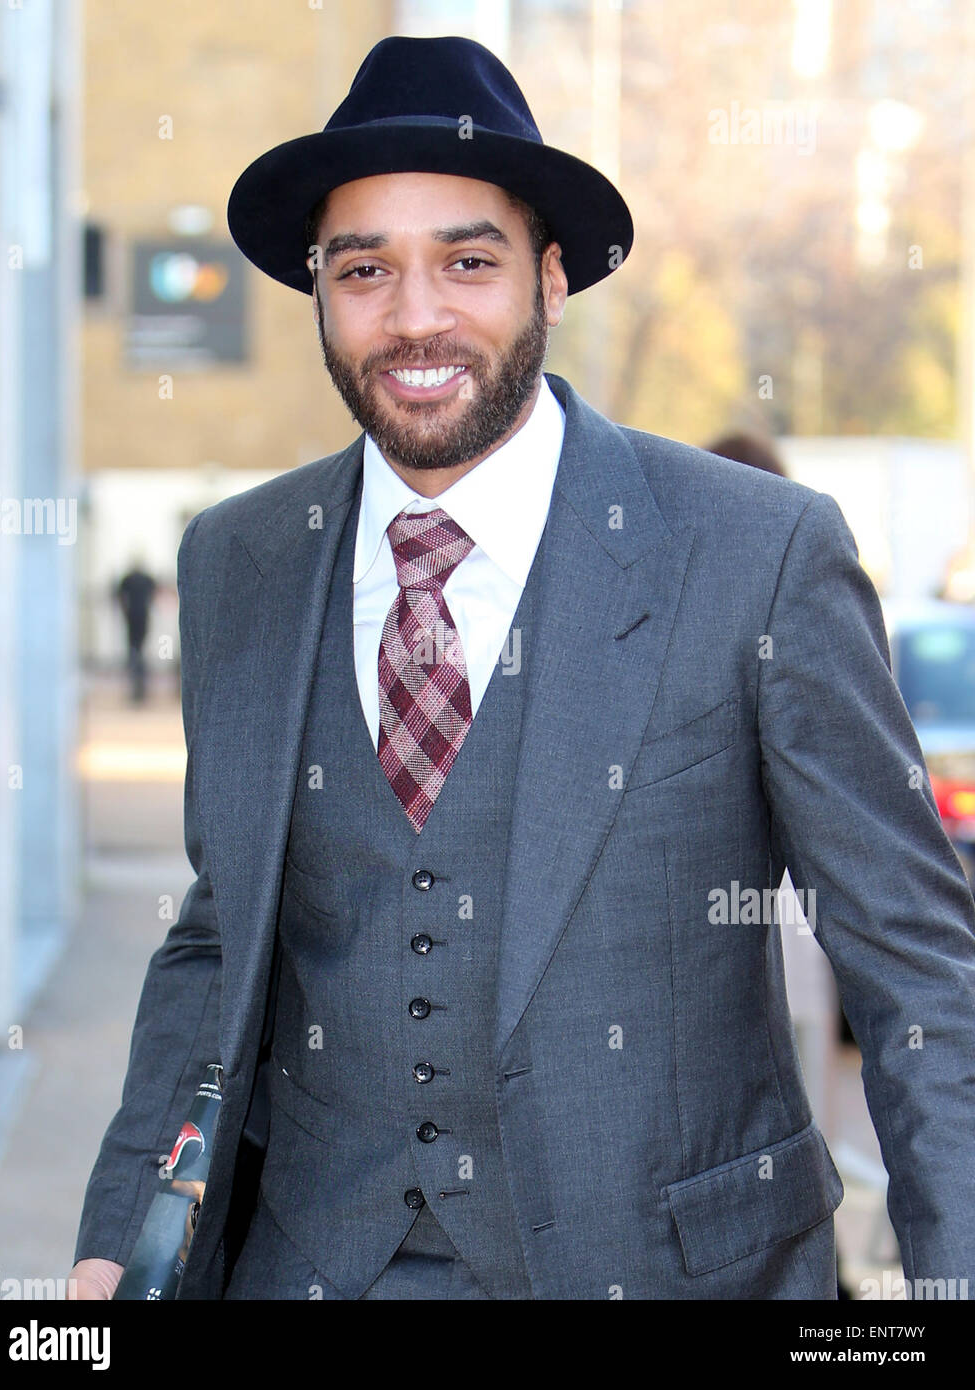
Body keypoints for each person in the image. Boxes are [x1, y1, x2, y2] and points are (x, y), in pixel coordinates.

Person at [70, 35, 975, 1301]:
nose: (416, 314)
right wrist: (119, 1235)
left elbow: (910, 961)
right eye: (364, 269)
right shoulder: (239, 562)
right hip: (309, 1265)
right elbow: (218, 940)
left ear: (550, 281)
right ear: (319, 296)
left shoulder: (754, 551)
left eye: (468, 261)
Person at [115, 561, 157, 703]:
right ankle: (139, 686)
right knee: (139, 652)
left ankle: (138, 686)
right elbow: (154, 594)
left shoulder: (128, 579)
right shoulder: (146, 579)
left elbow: (119, 596)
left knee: (135, 651)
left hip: (132, 617)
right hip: (141, 617)